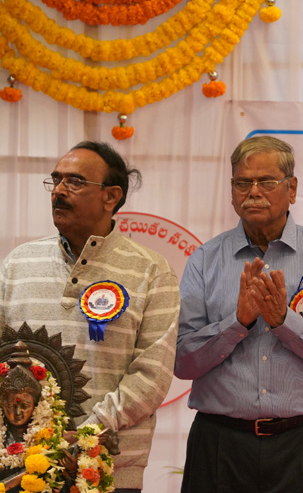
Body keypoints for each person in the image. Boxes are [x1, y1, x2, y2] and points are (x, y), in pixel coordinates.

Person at [175, 135, 303, 493]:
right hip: (220, 444)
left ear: (292, 189)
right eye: (242, 183)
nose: (254, 192)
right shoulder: (205, 259)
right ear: (232, 192)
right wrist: (237, 323)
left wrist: (284, 322)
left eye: (267, 182)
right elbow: (182, 362)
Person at [0, 141, 180, 493]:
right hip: (19, 470)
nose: (59, 191)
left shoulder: (151, 270)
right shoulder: (18, 263)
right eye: (56, 180)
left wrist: (85, 434)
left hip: (108, 469)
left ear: (111, 197)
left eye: (75, 181)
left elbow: (152, 375)